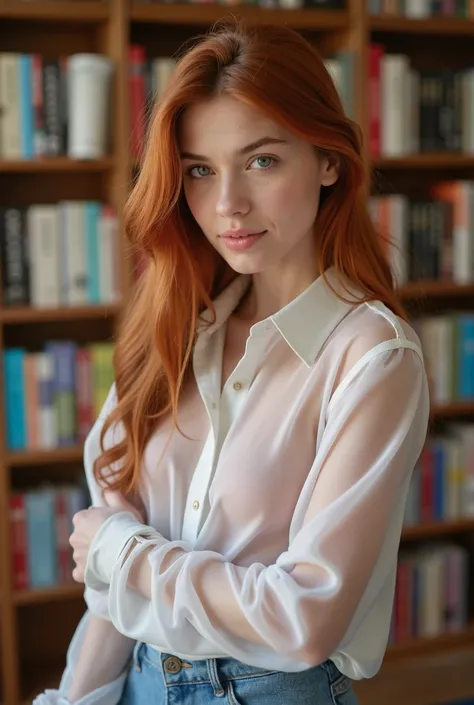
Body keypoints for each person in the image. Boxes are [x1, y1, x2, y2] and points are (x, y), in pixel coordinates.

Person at [33, 18, 430, 705]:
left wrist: (123, 554)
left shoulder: (373, 355)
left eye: (262, 160)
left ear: (328, 160)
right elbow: (115, 594)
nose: (227, 205)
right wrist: (73, 698)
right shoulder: (173, 327)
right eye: (200, 170)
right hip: (135, 683)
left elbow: (306, 616)